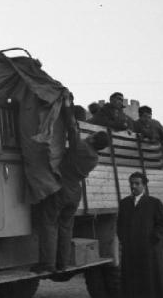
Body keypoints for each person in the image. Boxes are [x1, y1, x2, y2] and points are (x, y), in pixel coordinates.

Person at [33, 90, 111, 272]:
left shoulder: (81, 147)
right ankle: (62, 264)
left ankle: (48, 264)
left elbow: (71, 127)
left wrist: (67, 105)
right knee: (66, 228)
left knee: (49, 224)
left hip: (61, 189)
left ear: (92, 137)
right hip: (75, 193)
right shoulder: (94, 159)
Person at [117, 172, 163, 298]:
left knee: (150, 282)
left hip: (149, 251)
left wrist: (152, 239)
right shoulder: (124, 203)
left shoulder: (154, 203)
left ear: (144, 185)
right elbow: (120, 225)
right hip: (131, 252)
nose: (133, 186)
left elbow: (162, 225)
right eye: (131, 183)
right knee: (132, 283)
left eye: (137, 183)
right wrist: (124, 240)